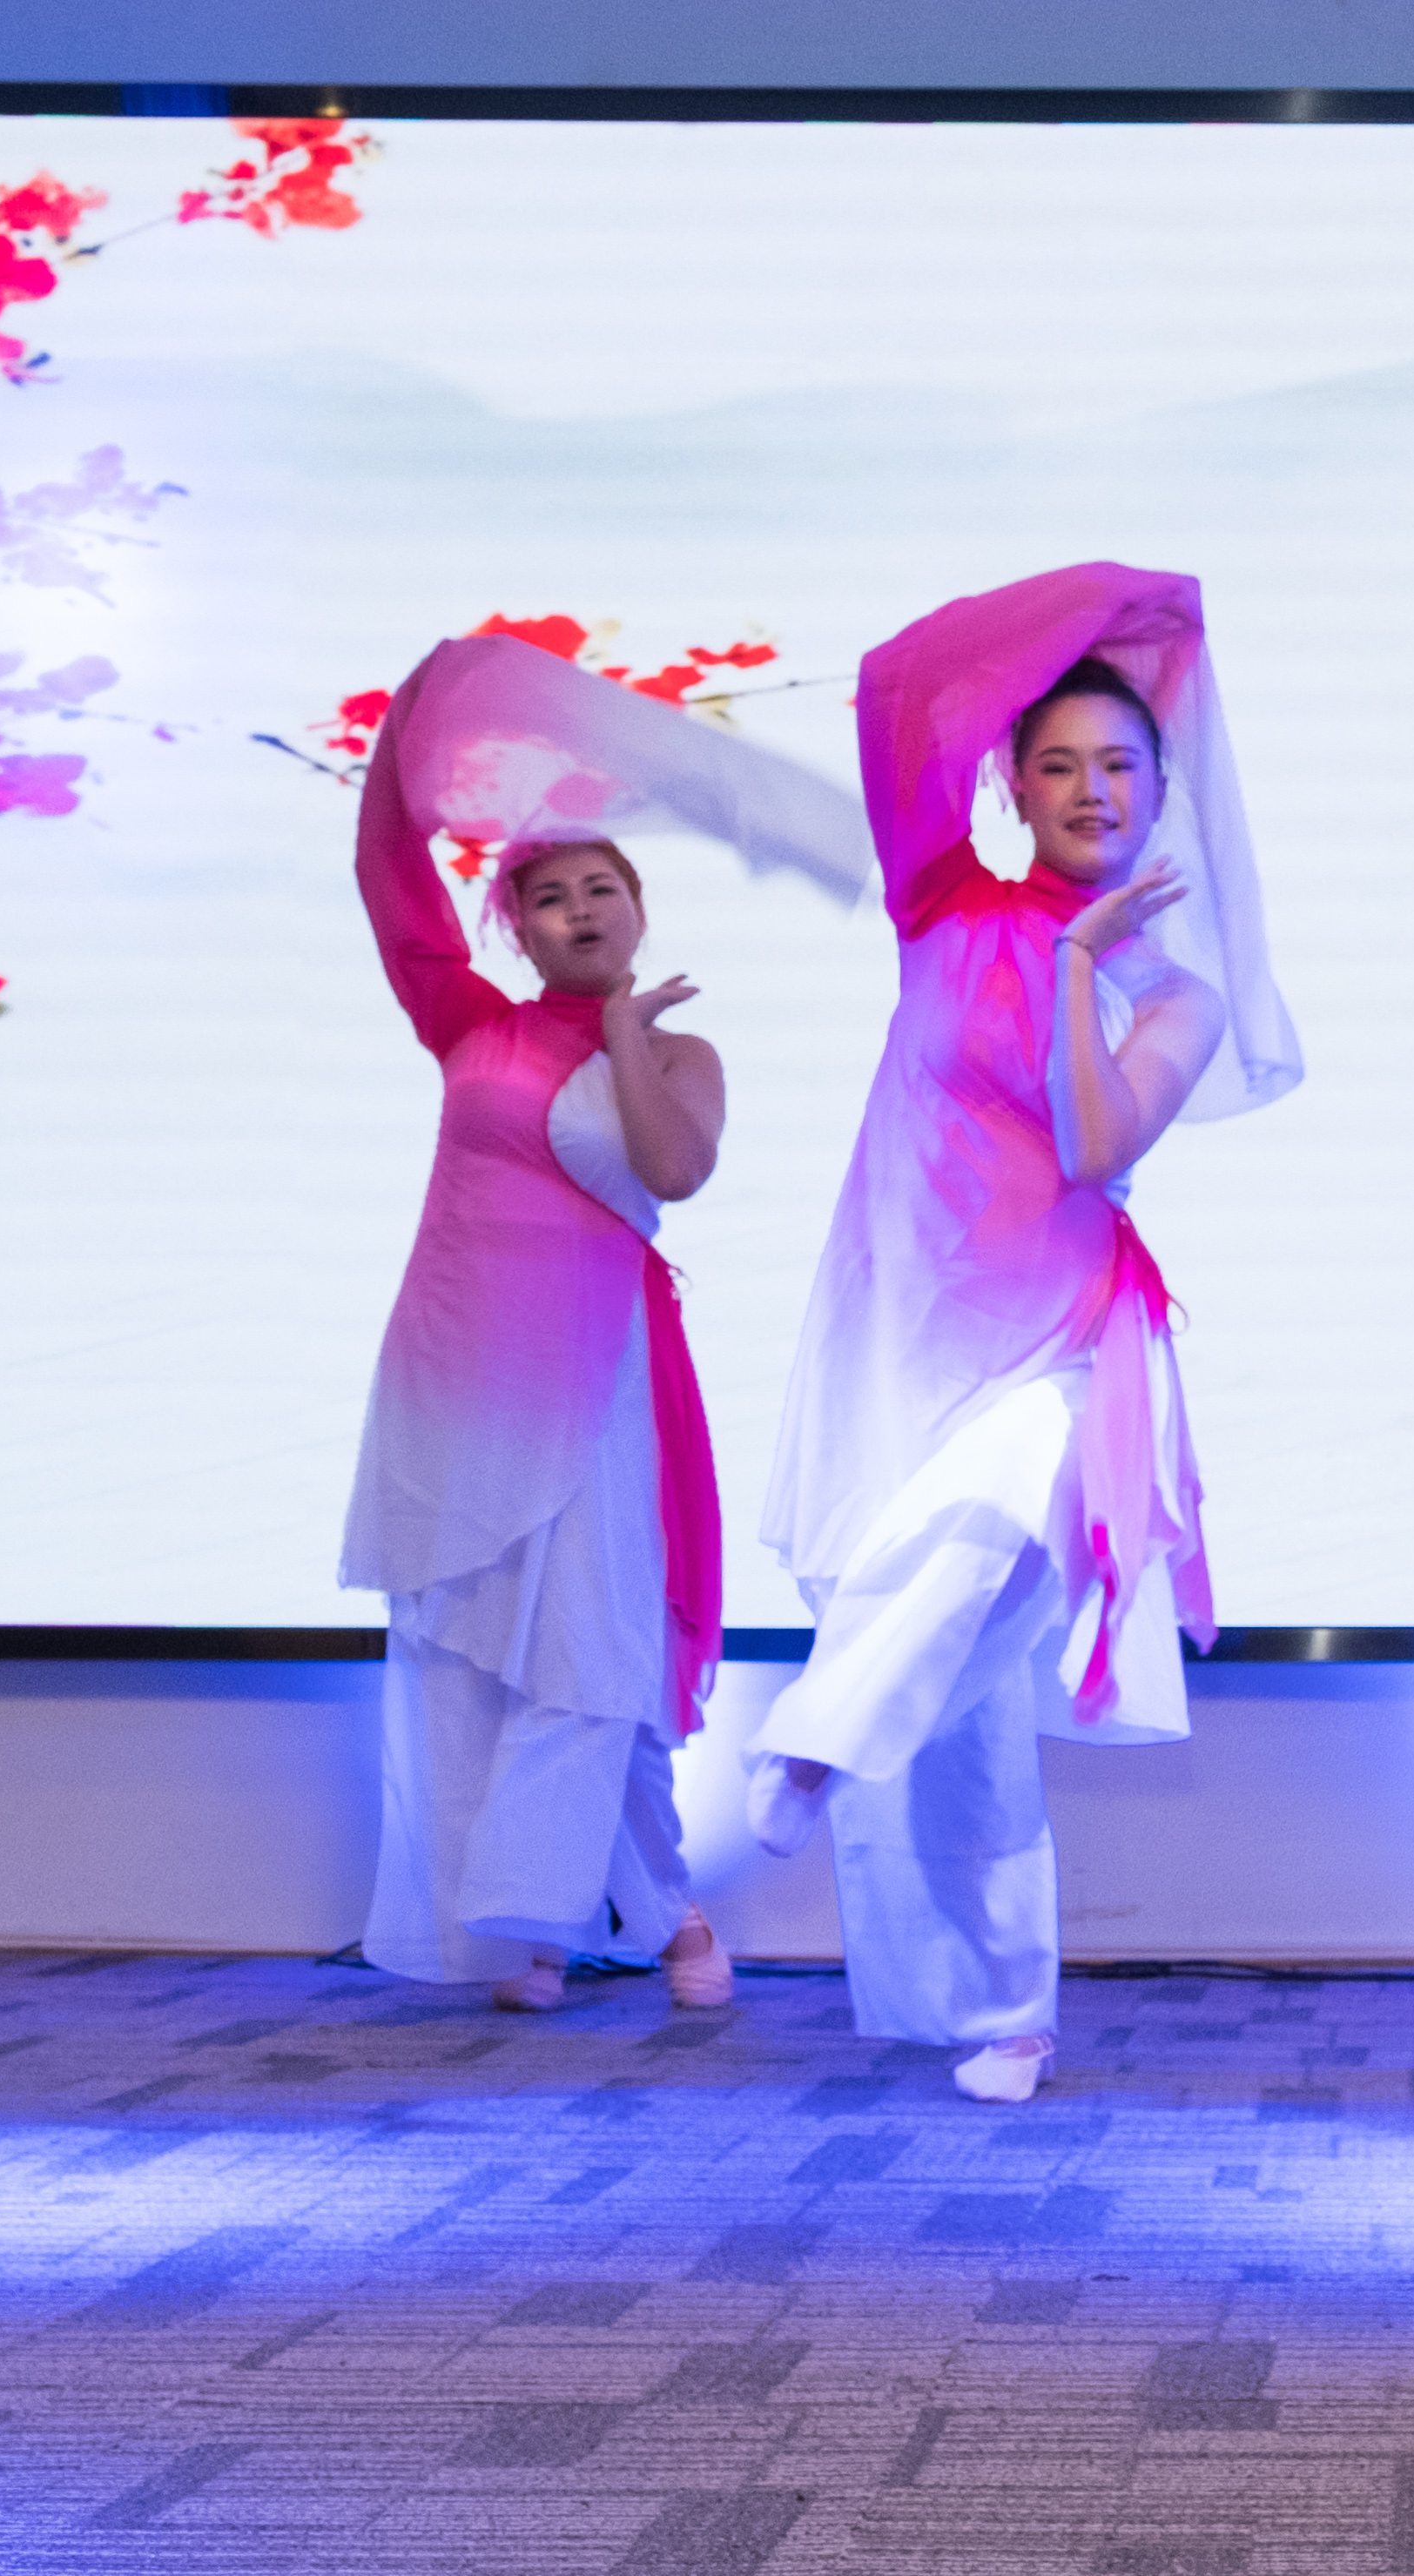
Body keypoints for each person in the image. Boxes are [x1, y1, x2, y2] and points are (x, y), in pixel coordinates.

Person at [752, 565, 1299, 2107]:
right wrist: (1104, 612)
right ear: (1009, 783)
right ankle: (1003, 2015)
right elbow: (896, 691)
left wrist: (1074, 963)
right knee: (966, 1708)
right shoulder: (942, 899)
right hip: (901, 1322)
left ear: (1161, 791)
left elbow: (1089, 1139)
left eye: (1119, 762)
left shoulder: (1176, 994)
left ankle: (811, 1737)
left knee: (990, 1516)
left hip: (1066, 1338)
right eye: (1054, 762)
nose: (1089, 788)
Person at [340, 630, 866, 2013]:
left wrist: (626, 1030)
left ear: (637, 907)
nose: (578, 910)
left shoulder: (682, 1050)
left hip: (600, 1383)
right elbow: (388, 880)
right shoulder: (468, 1024)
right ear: (512, 929)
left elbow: (671, 1170)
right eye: (548, 897)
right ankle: (656, 1918)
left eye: (601, 888)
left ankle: (541, 1920)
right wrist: (408, 735)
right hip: (456, 1372)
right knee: (482, 1648)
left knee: (591, 1647)